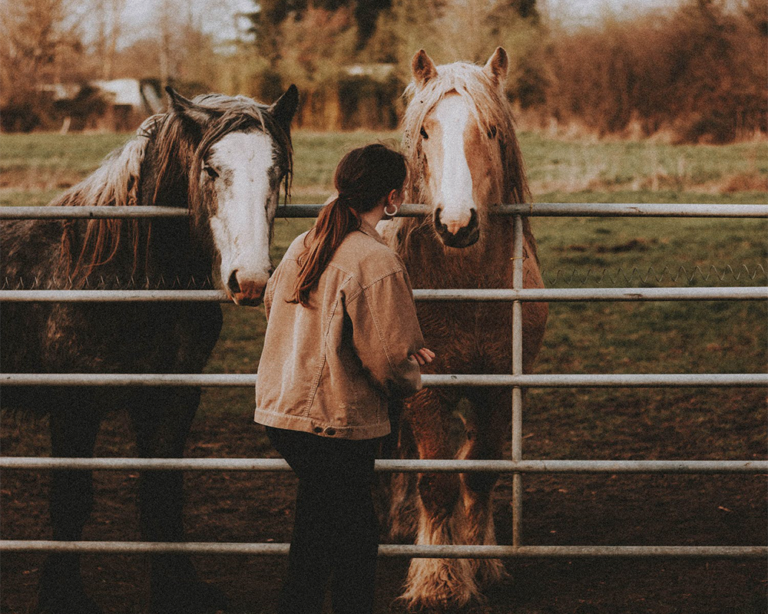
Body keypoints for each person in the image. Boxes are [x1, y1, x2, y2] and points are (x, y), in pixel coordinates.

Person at [254, 143, 434, 614]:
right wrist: (412, 369)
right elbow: (390, 362)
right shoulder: (375, 260)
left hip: (283, 411)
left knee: (317, 524)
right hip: (333, 421)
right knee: (356, 536)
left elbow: (273, 308)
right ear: (392, 198)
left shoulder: (304, 243)